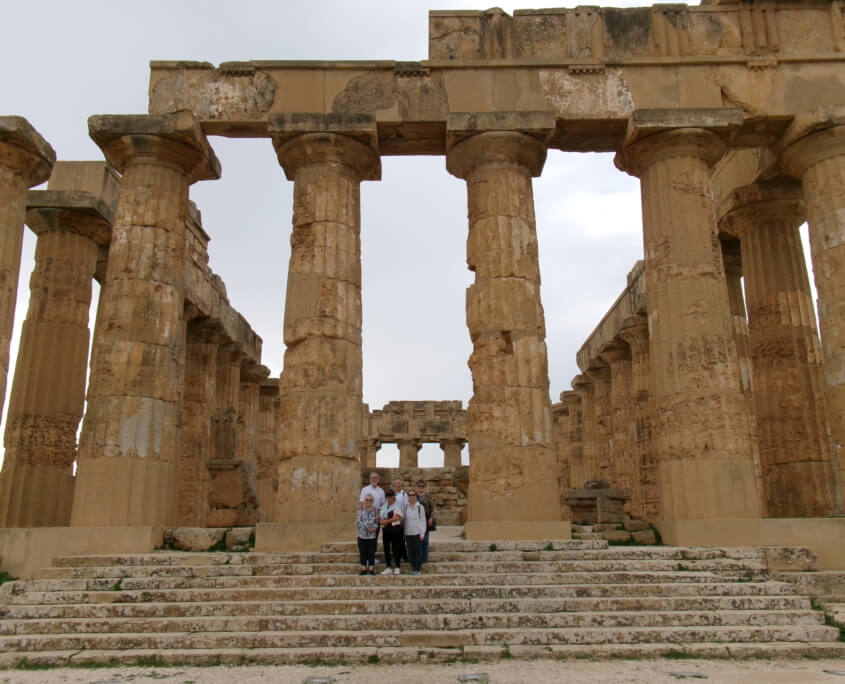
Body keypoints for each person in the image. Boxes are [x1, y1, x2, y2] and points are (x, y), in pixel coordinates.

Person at [379, 489, 404, 575]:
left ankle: (397, 567)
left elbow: (398, 517)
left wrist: (387, 521)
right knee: (386, 548)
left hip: (395, 529)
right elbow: (380, 516)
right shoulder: (383, 506)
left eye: (390, 496)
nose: (389, 498)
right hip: (386, 529)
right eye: (387, 496)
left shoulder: (397, 505)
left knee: (396, 548)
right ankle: (388, 567)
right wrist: (381, 521)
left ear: (393, 496)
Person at [403, 488, 426, 575]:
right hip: (408, 533)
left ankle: (418, 569)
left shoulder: (420, 507)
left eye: (413, 495)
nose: (411, 496)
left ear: (416, 496)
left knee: (417, 551)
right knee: (411, 552)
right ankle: (413, 568)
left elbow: (423, 520)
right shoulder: (406, 507)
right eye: (410, 495)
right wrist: (404, 534)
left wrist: (422, 533)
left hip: (417, 532)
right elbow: (405, 521)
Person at [355, 494, 379, 575]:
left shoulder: (375, 510)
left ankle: (371, 569)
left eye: (370, 500)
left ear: (373, 501)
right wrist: (367, 528)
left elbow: (377, 522)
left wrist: (374, 528)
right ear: (364, 501)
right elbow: (358, 521)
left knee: (371, 553)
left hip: (371, 536)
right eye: (367, 500)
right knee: (363, 552)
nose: (369, 501)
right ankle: (363, 569)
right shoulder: (360, 510)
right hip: (362, 535)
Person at [416, 479, 436, 564]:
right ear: (417, 487)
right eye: (419, 486)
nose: (421, 487)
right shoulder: (414, 496)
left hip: (426, 520)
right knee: (418, 540)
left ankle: (425, 558)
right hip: (416, 520)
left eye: (422, 486)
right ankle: (418, 558)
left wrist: (431, 518)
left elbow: (433, 508)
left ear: (425, 487)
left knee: (425, 540)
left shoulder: (428, 496)